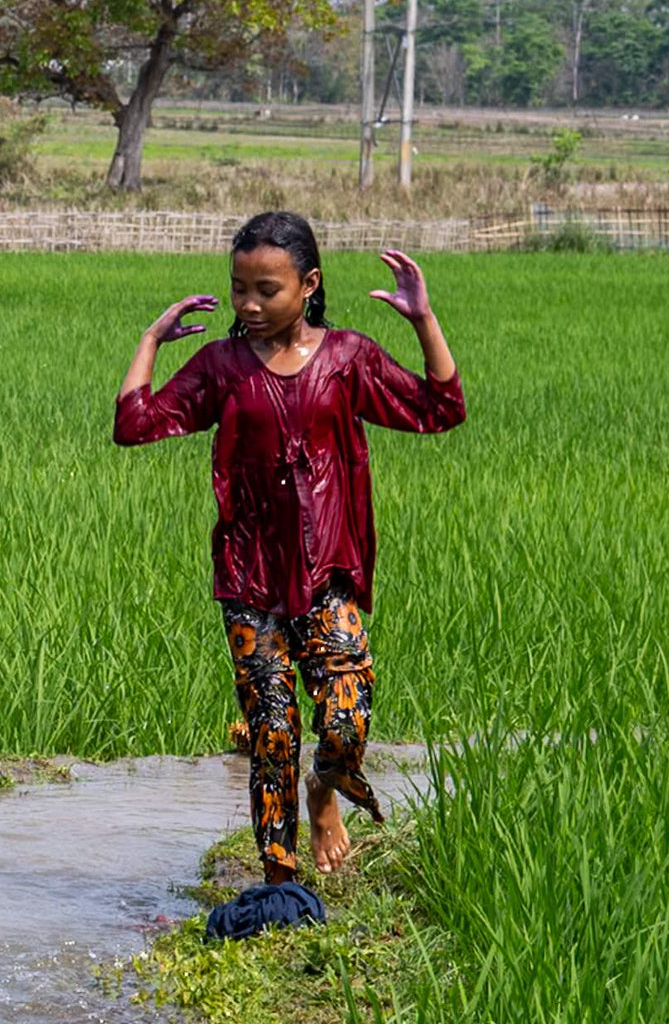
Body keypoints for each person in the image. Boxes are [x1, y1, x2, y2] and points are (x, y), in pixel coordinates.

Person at [114, 210, 464, 880]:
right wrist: (151, 340)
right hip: (248, 575)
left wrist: (423, 320)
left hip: (328, 568)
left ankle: (325, 792)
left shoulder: (349, 358)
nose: (248, 304)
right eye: (239, 287)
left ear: (309, 285)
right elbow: (135, 424)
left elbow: (439, 408)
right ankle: (279, 875)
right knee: (273, 730)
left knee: (345, 716)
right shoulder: (221, 366)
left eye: (266, 290)